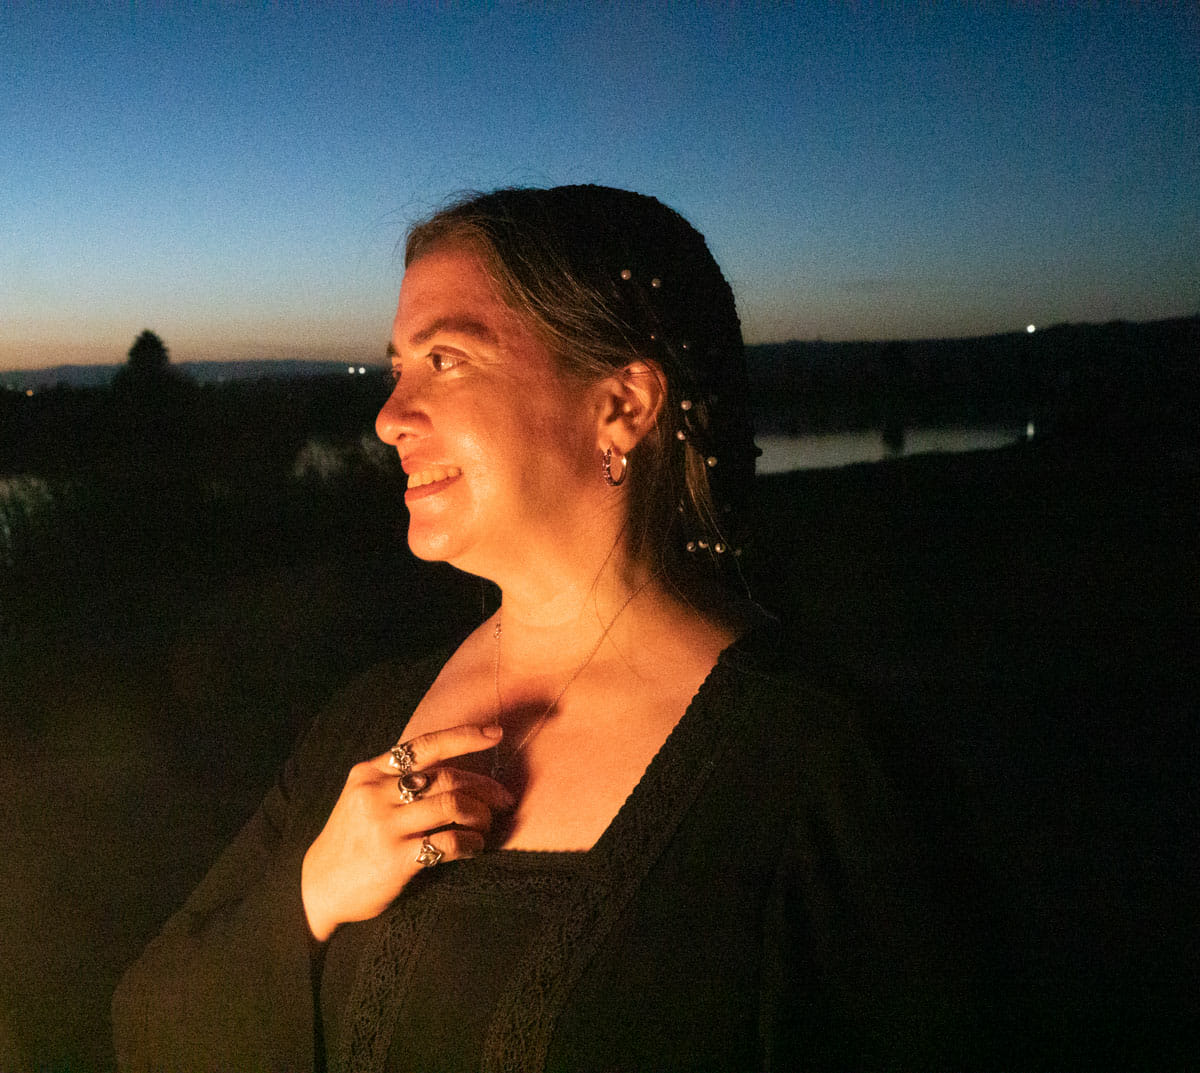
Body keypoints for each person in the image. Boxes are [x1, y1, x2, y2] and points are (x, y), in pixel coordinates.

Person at [113, 185, 957, 1071]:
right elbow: (149, 1025)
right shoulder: (363, 725)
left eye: (445, 359)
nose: (388, 417)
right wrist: (313, 895)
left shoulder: (817, 774)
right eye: (398, 365)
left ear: (622, 404)